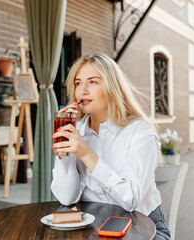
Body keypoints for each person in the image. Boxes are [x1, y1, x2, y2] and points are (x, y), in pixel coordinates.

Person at [50, 53, 171, 239]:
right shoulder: (77, 132)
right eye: (78, 83)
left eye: (93, 82)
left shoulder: (139, 131)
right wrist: (64, 154)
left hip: (143, 226)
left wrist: (87, 155)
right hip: (94, 227)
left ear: (111, 86)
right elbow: (67, 198)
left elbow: (130, 200)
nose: (82, 90)